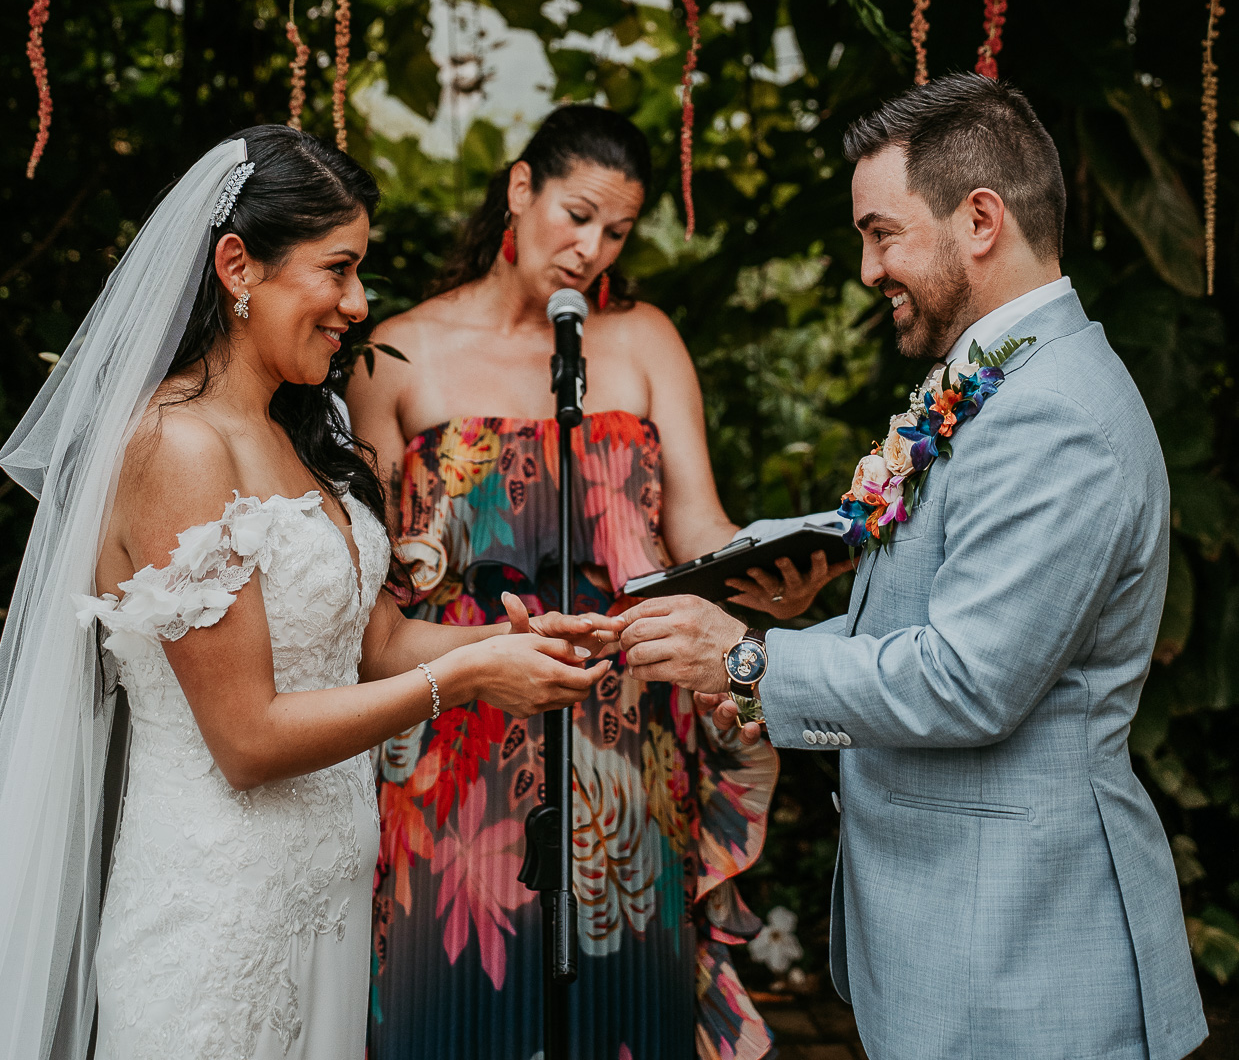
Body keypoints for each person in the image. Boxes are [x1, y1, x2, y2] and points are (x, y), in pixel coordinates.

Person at [617, 73, 1209, 1060]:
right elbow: (910, 576)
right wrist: (769, 612)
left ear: (980, 219)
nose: (866, 269)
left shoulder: (1055, 411)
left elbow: (972, 680)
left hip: (1027, 953)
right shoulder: (987, 377)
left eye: (881, 232)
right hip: (961, 940)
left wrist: (754, 663)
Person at [0, 127, 612, 1060]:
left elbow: (377, 648)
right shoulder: (175, 448)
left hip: (322, 899)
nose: (358, 304)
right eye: (339, 269)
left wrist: (514, 642)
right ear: (237, 266)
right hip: (215, 924)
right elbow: (246, 740)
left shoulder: (304, 431)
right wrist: (475, 681)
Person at [348, 103, 826, 1060]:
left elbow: (697, 526)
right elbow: (367, 594)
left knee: (623, 1010)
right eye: (576, 215)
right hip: (454, 741)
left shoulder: (643, 339)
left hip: (625, 742)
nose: (590, 249)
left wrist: (773, 570)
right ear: (520, 188)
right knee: (453, 1004)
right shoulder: (395, 352)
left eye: (615, 231)